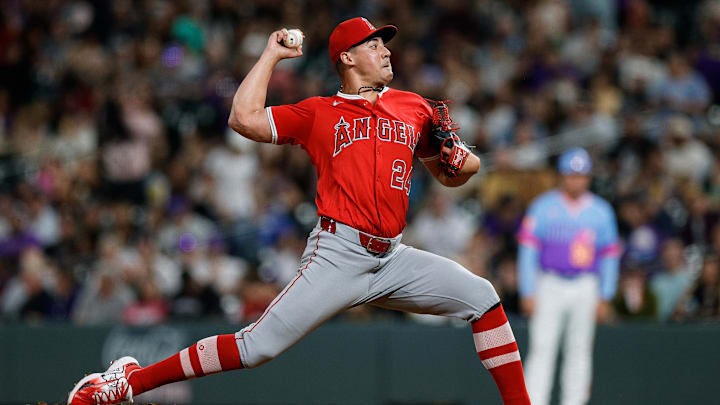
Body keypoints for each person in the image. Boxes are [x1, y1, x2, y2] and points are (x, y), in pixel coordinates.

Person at [67, 17, 530, 405]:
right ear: (346, 57)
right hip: (338, 254)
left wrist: (467, 159)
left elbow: (453, 172)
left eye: (385, 44)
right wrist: (271, 54)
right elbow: (242, 119)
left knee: (484, 299)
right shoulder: (319, 112)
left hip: (393, 257)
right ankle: (126, 383)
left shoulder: (413, 107)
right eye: (373, 44)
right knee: (255, 348)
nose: (386, 51)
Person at [516, 147, 621, 405]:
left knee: (580, 350)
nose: (576, 179)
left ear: (588, 177)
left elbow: (610, 256)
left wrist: (605, 294)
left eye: (581, 174)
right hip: (549, 282)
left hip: (586, 284)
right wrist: (527, 290)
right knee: (542, 348)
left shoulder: (601, 210)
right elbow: (527, 251)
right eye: (571, 174)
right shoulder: (543, 206)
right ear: (561, 176)